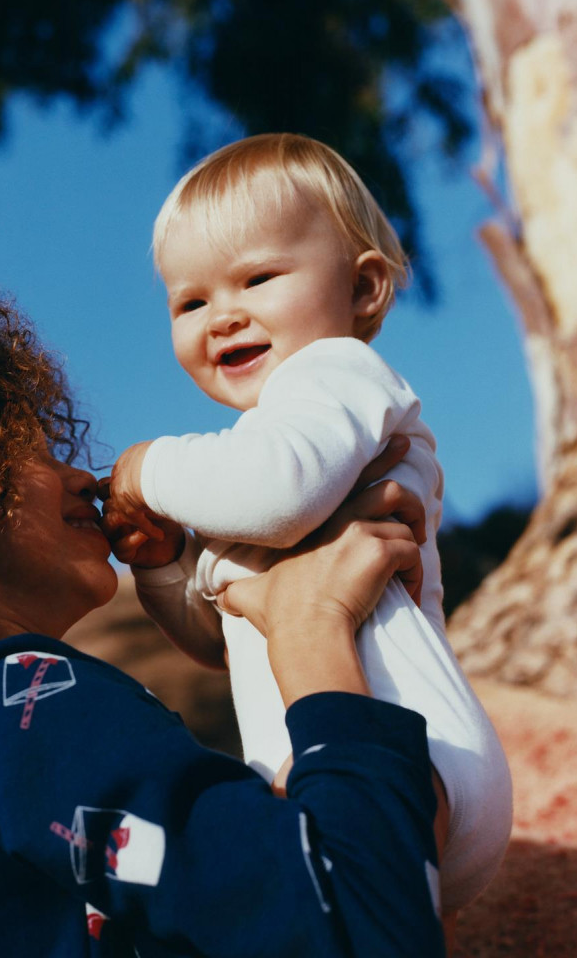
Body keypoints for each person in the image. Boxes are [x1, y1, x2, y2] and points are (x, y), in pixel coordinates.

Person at [0, 287, 446, 957]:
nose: (82, 478)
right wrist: (311, 624)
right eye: (34, 452)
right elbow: (360, 925)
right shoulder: (7, 699)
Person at [103, 133, 512, 920]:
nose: (222, 316)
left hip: (405, 745)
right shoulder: (259, 459)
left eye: (257, 277)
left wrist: (147, 466)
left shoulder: (332, 379)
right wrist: (162, 569)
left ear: (361, 290)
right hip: (324, 759)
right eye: (190, 302)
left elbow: (282, 493)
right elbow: (214, 640)